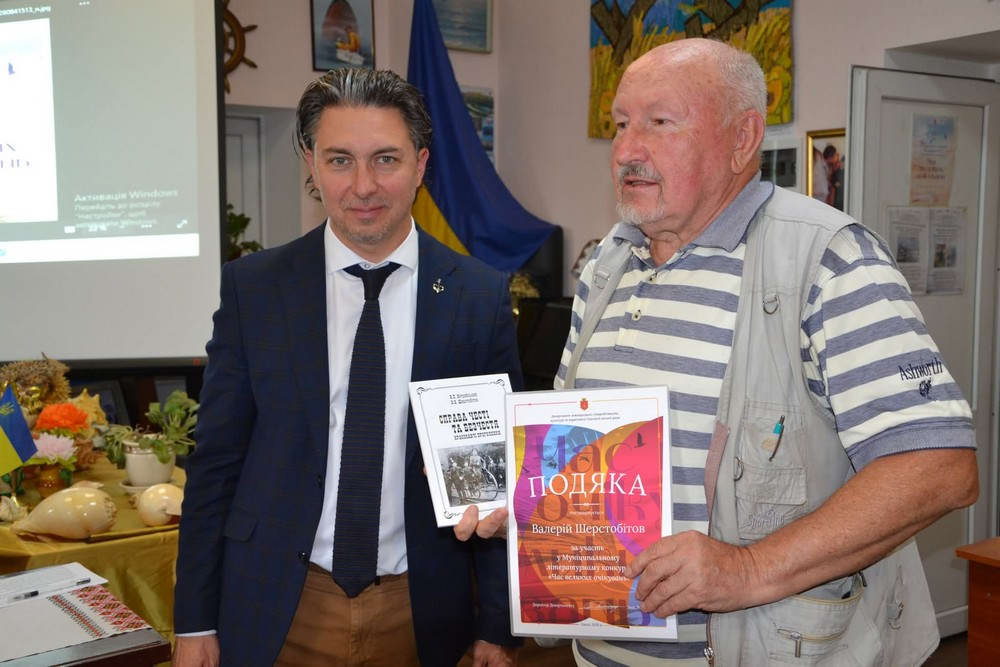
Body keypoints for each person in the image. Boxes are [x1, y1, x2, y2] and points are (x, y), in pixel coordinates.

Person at [458, 38, 977, 665]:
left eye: (659, 123)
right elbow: (589, 453)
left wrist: (746, 569)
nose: (626, 150)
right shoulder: (607, 264)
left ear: (742, 138)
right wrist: (526, 502)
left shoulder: (828, 259)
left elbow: (938, 467)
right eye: (620, 124)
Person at [174, 68, 521, 667]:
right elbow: (216, 464)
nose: (363, 186)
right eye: (340, 160)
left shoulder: (477, 296)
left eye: (385, 159)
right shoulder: (255, 289)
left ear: (420, 164)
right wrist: (195, 620)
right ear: (311, 164)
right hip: (278, 604)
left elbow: (491, 478)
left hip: (422, 609)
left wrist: (497, 625)